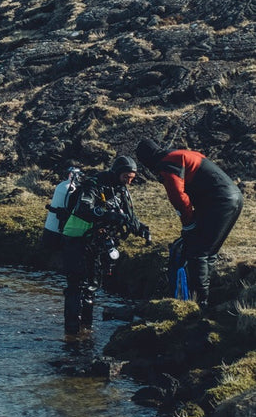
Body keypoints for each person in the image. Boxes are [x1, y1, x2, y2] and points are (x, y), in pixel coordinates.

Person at [136, 138, 244, 308]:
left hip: (218, 201)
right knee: (208, 251)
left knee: (198, 252)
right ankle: (202, 300)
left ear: (147, 160)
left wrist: (188, 224)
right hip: (232, 197)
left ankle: (199, 304)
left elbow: (178, 198)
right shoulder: (181, 155)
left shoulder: (167, 164)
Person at [58, 155, 147, 337]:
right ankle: (72, 333)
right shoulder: (94, 185)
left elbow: (129, 215)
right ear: (117, 173)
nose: (129, 182)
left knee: (91, 286)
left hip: (97, 243)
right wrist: (107, 215)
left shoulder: (120, 190)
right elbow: (84, 209)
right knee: (76, 286)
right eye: (126, 178)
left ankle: (86, 331)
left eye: (131, 179)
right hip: (77, 240)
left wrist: (142, 229)